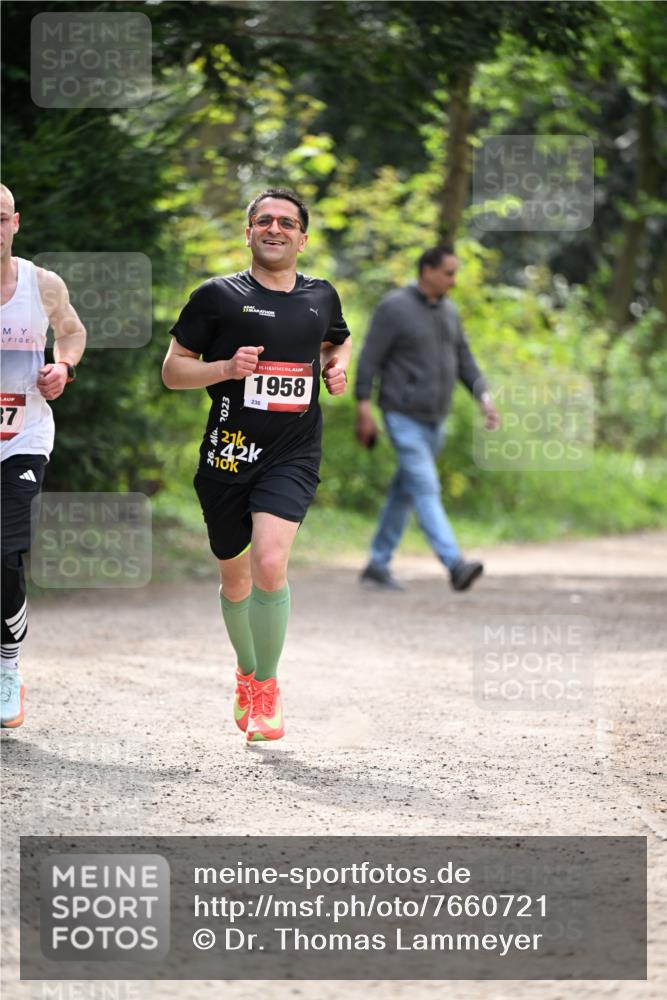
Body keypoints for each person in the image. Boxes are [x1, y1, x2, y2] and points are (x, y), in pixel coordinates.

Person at [162, 188, 351, 743]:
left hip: (292, 452)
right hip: (228, 453)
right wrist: (224, 368)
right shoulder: (217, 296)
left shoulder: (321, 296)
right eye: (264, 220)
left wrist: (335, 368)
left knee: (270, 562)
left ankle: (266, 687)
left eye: (287, 223)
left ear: (302, 238)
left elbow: (334, 343)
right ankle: (246, 670)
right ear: (248, 233)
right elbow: (173, 371)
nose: (275, 229)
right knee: (235, 576)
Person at [355, 244, 500, 592]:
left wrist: (484, 396)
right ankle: (455, 564)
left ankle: (377, 564)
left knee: (404, 491)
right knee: (425, 486)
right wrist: (363, 406)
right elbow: (369, 358)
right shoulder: (394, 307)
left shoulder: (449, 311)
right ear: (427, 271)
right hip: (401, 415)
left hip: (436, 419)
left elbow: (464, 360)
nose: (454, 280)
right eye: (449, 273)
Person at [1, 183, 86, 728]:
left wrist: (62, 366)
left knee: (4, 553)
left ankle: (7, 669)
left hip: (22, 438)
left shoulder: (42, 284)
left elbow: (72, 332)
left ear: (15, 223)